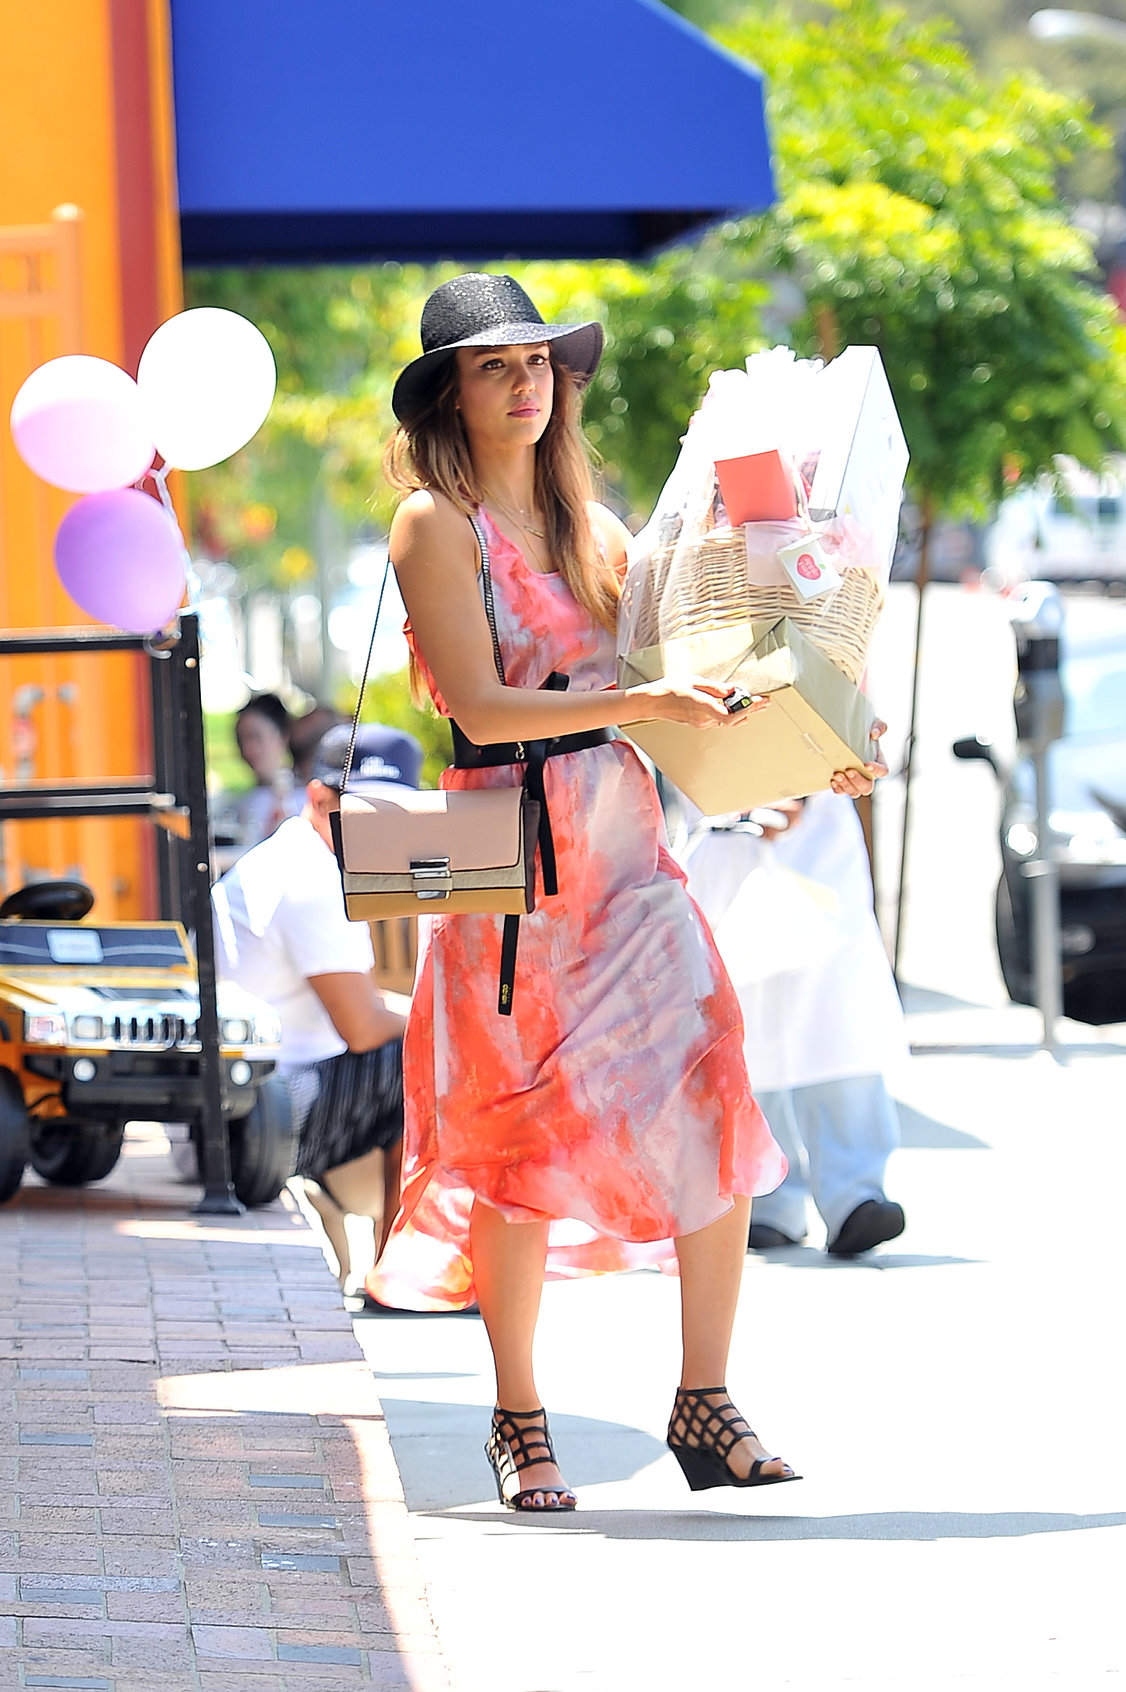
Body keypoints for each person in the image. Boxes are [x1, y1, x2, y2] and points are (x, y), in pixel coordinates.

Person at [363, 272, 886, 1512]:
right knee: (511, 1147)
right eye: (493, 366)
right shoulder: (433, 525)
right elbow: (483, 706)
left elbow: (695, 684)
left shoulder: (597, 530)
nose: (524, 383)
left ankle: (706, 1401)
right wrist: (644, 698)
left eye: (537, 362)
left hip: (628, 859)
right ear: (449, 393)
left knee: (713, 1085)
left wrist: (815, 746)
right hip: (510, 874)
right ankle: (518, 1417)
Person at [211, 722, 420, 1286]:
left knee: (419, 1038)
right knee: (423, 1058)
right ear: (320, 797)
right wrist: (447, 1022)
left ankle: (393, 1256)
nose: (384, 827)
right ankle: (400, 1276)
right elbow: (364, 1028)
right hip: (253, 1123)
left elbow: (364, 1006)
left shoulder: (291, 856)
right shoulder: (313, 877)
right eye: (368, 811)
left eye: (398, 813)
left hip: (241, 1109)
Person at [683, 793, 906, 1257]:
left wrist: (800, 784)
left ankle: (855, 1194)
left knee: (838, 1018)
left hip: (817, 827)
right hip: (727, 820)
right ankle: (767, 1197)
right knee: (744, 1024)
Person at [213, 692, 303, 869]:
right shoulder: (234, 803)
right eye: (241, 740)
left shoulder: (306, 799)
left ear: (282, 736)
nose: (248, 749)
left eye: (255, 737)